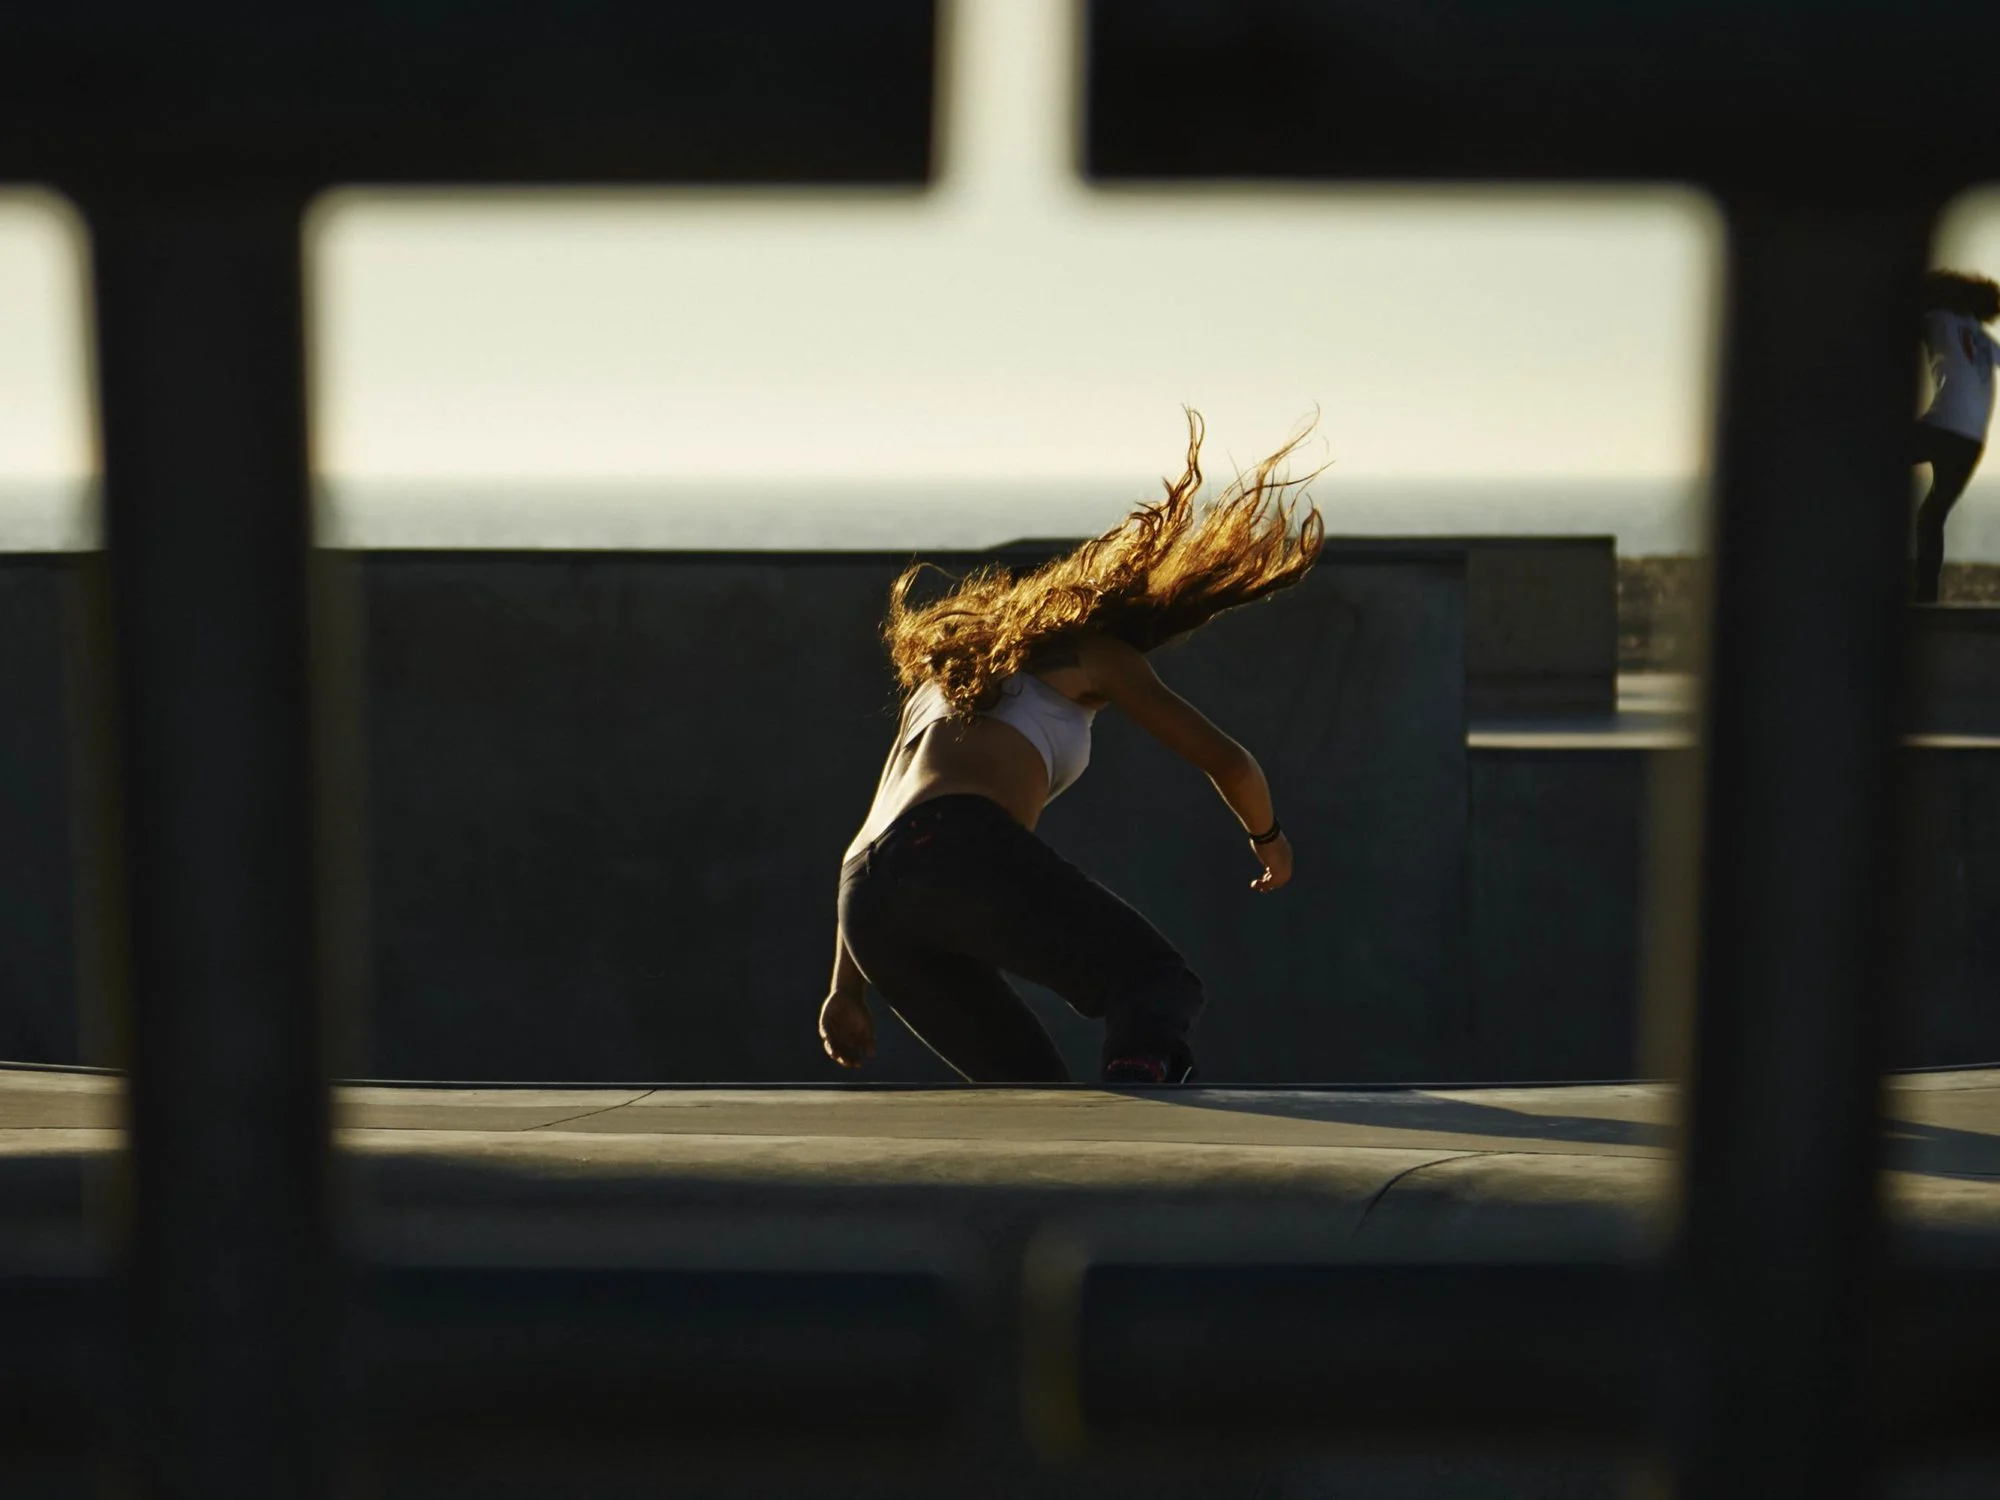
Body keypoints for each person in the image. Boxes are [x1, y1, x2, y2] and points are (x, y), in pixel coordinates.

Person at [818, 415, 1325, 1086]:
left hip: (867, 902)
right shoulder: (1091, 653)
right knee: (1155, 983)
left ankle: (1076, 1171)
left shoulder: (943, 685)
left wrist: (846, 989)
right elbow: (1228, 761)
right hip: (954, 850)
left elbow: (870, 837)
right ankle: (1135, 1110)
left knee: (1030, 1093)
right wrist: (1270, 836)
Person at [1912, 269, 2000, 603]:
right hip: (1971, 442)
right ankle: (1926, 597)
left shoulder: (1936, 319)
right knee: (1932, 516)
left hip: (1941, 426)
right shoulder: (1981, 335)